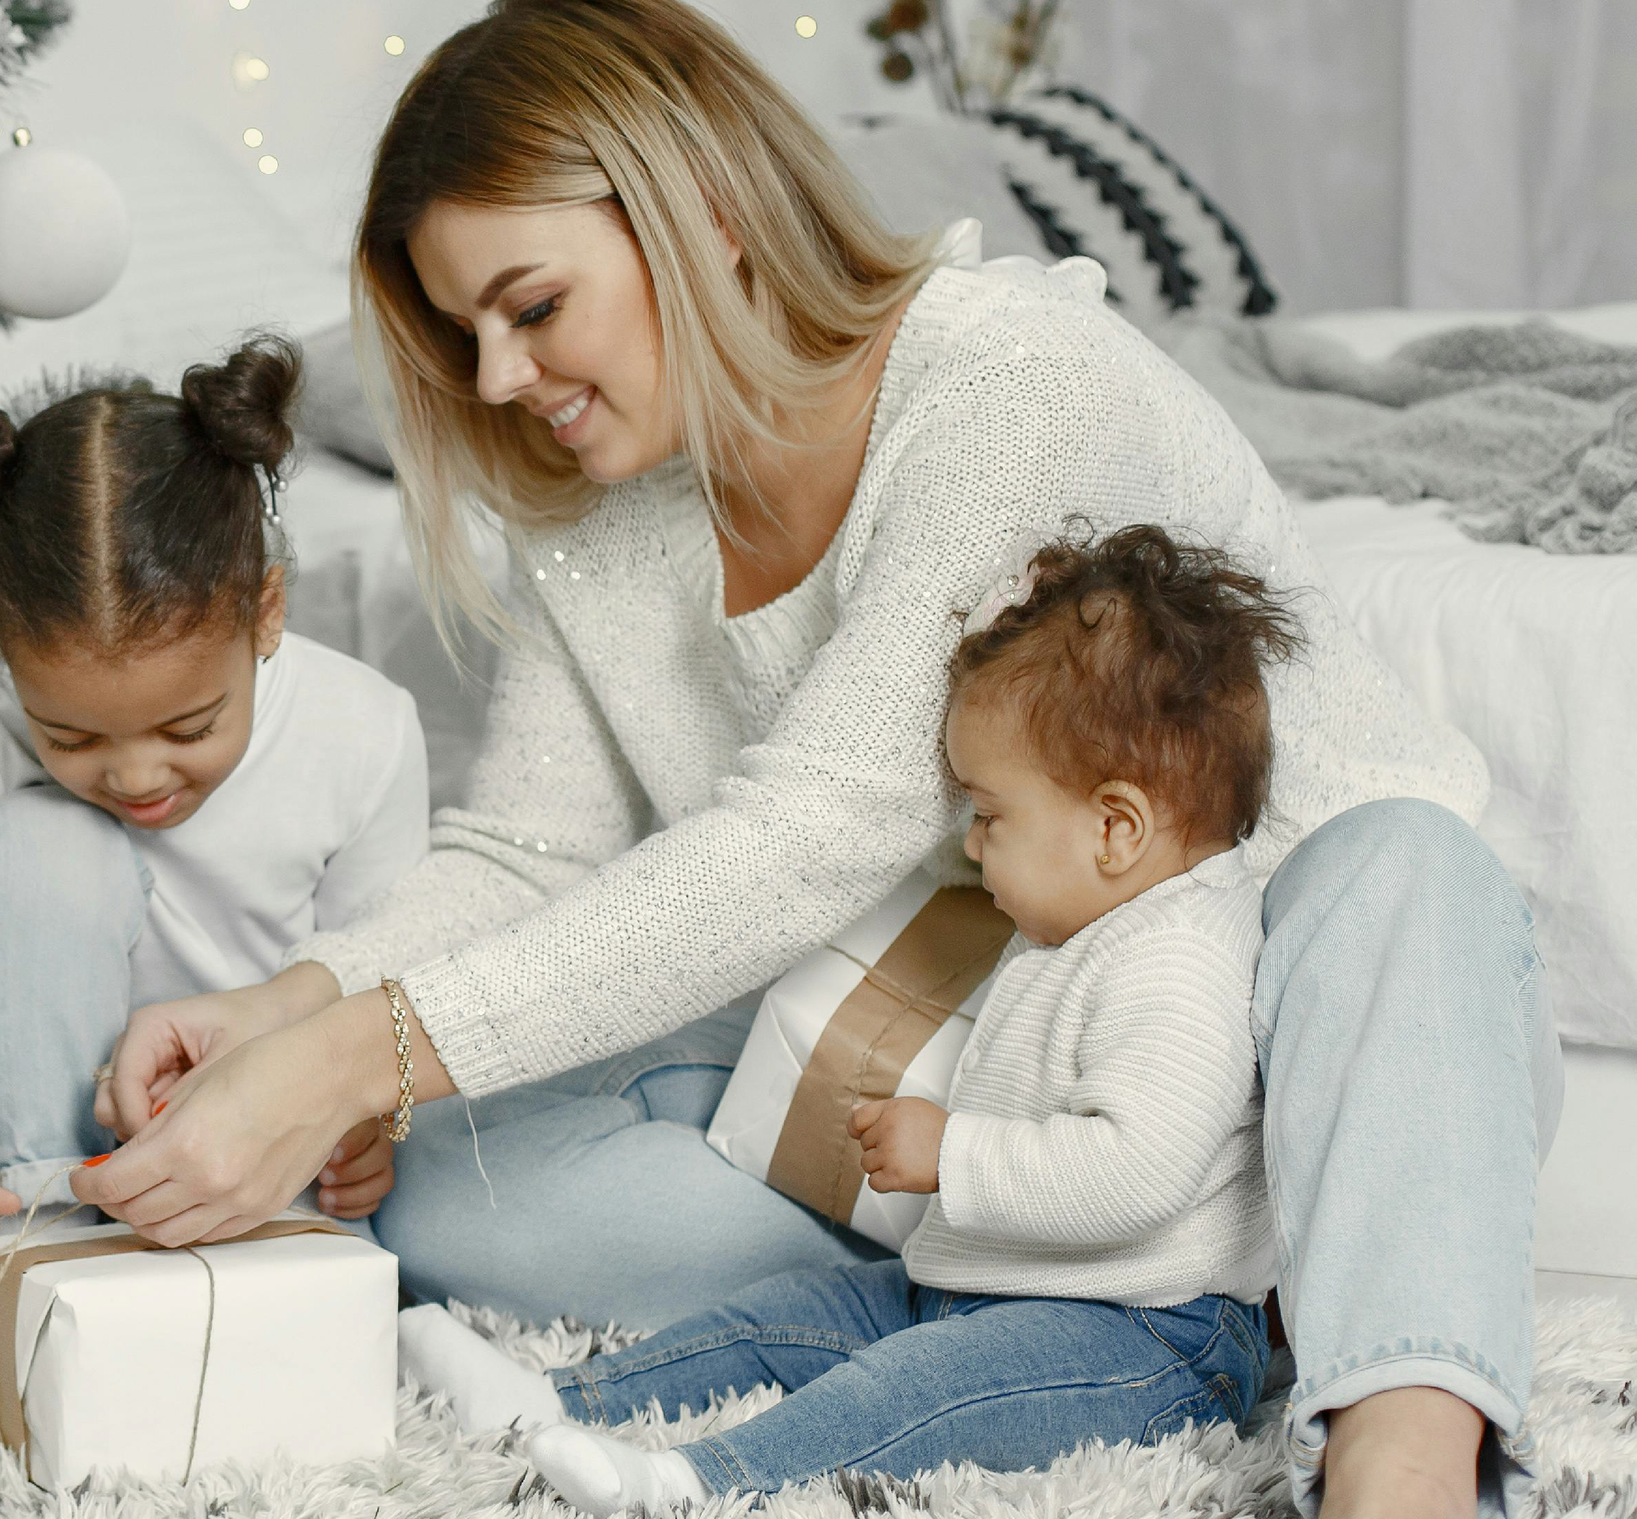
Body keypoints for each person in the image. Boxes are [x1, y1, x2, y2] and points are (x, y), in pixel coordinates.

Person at [66, 5, 1559, 1515]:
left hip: (1297, 1017)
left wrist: (348, 1054)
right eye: (466, 336)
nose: (500, 378)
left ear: (703, 214)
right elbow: (527, 851)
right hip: (987, 1039)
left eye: (531, 308)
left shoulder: (1006, 383)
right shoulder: (593, 507)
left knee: (1405, 863)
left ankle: (1399, 1442)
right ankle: (1061, 1290)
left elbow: (812, 836)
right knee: (425, 1174)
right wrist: (285, 1012)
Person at [401, 525, 1294, 1507]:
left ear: (1116, 828)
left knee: (910, 1389)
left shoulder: (1183, 956)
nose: (975, 846)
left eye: (992, 817)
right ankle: (551, 1396)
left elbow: (1135, 1170)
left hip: (1147, 1332)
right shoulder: (1091, 921)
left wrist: (953, 1152)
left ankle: (695, 1481)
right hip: (995, 1280)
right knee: (788, 1314)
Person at [0, 336, 428, 1266]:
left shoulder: (363, 733)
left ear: (268, 610)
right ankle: (52, 1264)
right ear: (8, 662)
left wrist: (361, 1119)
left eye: (187, 728)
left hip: (217, 1127)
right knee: (48, 835)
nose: (135, 778)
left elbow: (379, 998)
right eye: (71, 738)